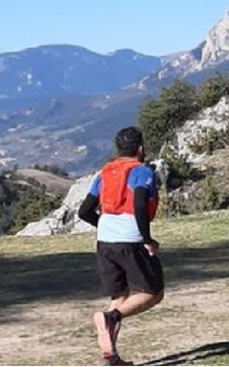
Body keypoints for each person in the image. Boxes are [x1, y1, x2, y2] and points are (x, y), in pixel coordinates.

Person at [78, 126, 164, 366]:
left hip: (105, 241)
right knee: (153, 292)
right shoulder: (142, 171)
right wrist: (147, 239)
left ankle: (111, 358)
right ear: (141, 149)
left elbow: (84, 211)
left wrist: (104, 225)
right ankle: (111, 317)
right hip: (130, 240)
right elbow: (138, 203)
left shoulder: (104, 173)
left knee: (120, 295)